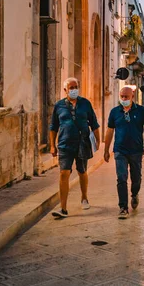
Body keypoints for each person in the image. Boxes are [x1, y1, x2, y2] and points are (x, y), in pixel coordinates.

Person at [50, 77, 100, 218]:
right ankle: (63, 208)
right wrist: (52, 145)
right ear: (65, 90)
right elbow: (53, 127)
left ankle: (84, 197)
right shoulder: (59, 106)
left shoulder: (85, 104)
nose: (74, 90)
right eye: (71, 88)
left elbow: (94, 123)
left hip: (82, 143)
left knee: (82, 171)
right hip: (65, 144)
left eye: (75, 87)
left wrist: (98, 140)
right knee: (63, 173)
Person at [104, 86, 144, 219]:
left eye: (126, 97)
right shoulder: (115, 112)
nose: (124, 99)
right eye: (122, 97)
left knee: (136, 178)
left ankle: (134, 193)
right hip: (120, 150)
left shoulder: (141, 111)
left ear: (132, 96)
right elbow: (109, 131)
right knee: (121, 178)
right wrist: (106, 150)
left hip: (136, 151)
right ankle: (123, 207)